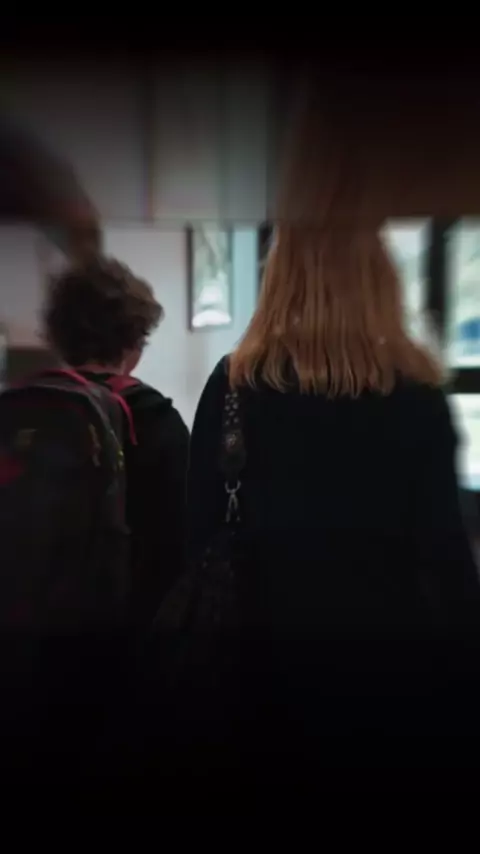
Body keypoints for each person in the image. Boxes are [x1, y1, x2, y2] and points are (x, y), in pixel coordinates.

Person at [186, 223, 480, 773]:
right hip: (390, 667)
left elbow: (200, 531)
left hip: (258, 664)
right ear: (379, 279)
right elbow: (446, 557)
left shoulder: (233, 385)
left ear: (279, 280)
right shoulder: (416, 395)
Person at [42, 255, 190, 628]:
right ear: (133, 343)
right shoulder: (153, 417)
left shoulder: (31, 407)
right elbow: (183, 539)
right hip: (128, 628)